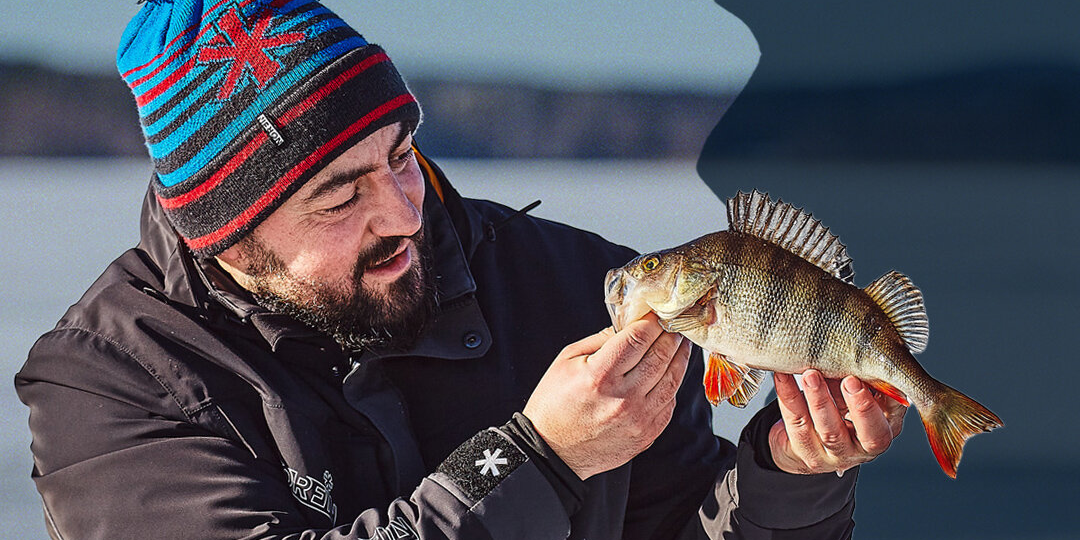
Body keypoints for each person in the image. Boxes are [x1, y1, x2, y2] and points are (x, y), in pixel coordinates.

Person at [15, 1, 906, 538]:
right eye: (339, 194)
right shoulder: (111, 385)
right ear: (227, 231)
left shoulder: (571, 288)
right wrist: (536, 458)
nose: (403, 212)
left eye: (402, 155)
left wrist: (792, 473)